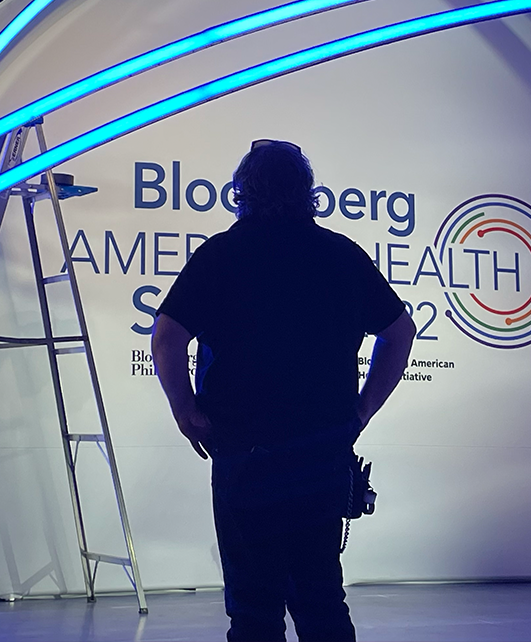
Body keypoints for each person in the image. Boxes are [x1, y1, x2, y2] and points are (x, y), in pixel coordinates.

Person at [152, 139, 416, 642]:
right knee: (321, 602)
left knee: (253, 611)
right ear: (307, 191)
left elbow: (166, 338)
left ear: (241, 190)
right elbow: (400, 333)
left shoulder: (221, 255)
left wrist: (186, 411)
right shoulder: (343, 255)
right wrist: (360, 412)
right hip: (322, 453)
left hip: (244, 453)